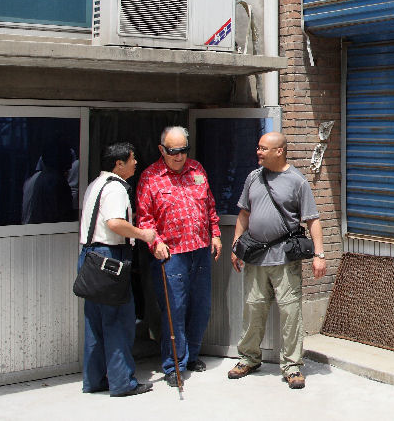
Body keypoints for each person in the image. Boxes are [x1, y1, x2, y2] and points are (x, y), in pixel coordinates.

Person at [228, 132, 326, 389]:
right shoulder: (253, 177)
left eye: (263, 148)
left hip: (285, 259)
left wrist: (319, 255)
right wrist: (236, 245)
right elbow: (244, 213)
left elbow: (312, 219)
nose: (258, 152)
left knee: (290, 312)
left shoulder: (297, 181)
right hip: (256, 258)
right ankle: (248, 358)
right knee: (253, 308)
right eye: (258, 147)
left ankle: (292, 366)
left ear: (279, 151)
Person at [136, 126, 222, 385]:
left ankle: (191, 355)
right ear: (162, 150)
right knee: (174, 310)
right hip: (172, 256)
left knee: (200, 307)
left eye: (184, 150)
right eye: (173, 151)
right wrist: (156, 244)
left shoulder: (197, 170)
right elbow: (144, 218)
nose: (179, 156)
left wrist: (215, 233)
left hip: (199, 249)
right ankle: (174, 365)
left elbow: (209, 205)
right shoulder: (150, 178)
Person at [79, 142, 156, 397]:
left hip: (90, 258)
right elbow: (114, 223)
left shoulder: (95, 184)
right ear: (118, 164)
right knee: (119, 323)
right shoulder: (116, 189)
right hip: (109, 257)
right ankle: (123, 382)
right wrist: (143, 234)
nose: (136, 163)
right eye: (132, 159)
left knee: (95, 323)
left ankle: (94, 380)